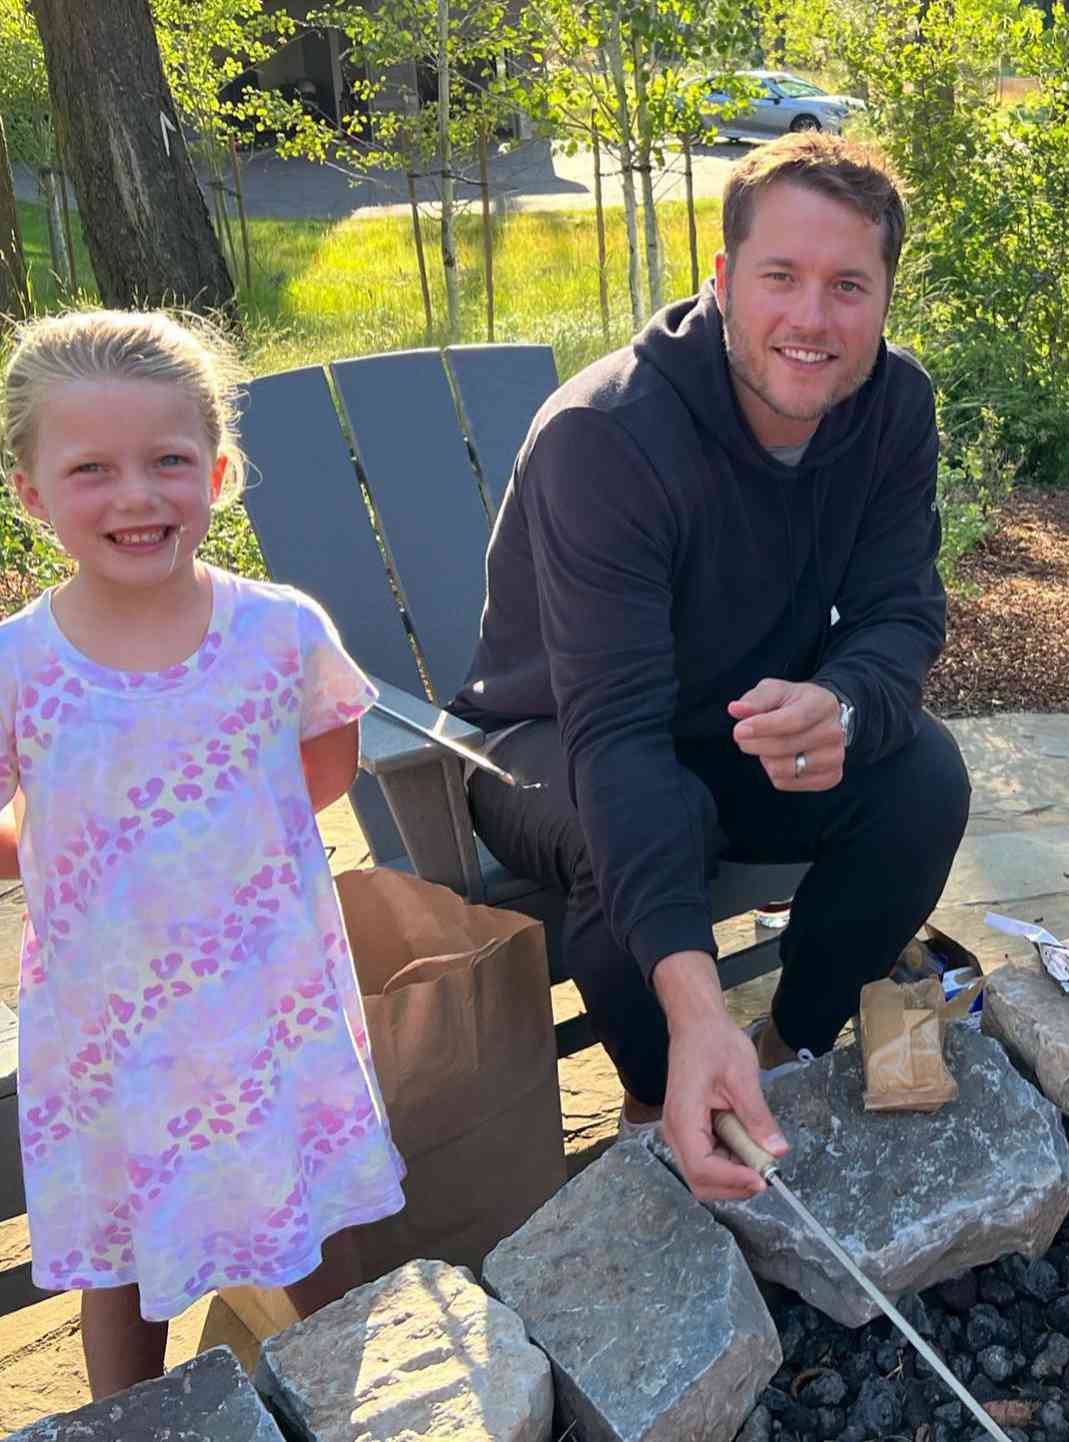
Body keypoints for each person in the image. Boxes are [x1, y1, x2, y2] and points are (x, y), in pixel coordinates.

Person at [452, 132, 971, 1201]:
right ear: (723, 280)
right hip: (549, 740)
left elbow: (900, 607)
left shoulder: (893, 408)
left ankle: (785, 1049)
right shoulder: (606, 437)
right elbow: (617, 737)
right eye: (780, 277)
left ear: (883, 298)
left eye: (847, 286)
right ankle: (663, 1095)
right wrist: (695, 1010)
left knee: (921, 774)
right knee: (645, 818)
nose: (811, 319)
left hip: (734, 725)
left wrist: (845, 700)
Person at [0, 310, 405, 1397]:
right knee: (123, 1256)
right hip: (110, 1026)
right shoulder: (19, 668)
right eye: (91, 469)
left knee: (312, 1213)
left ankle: (351, 1395)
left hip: (269, 1001)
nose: (137, 494)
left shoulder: (280, 631)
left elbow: (325, 764)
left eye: (168, 460)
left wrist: (225, 856)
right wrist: (82, 856)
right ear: (33, 495)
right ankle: (124, 1415)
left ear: (218, 471)